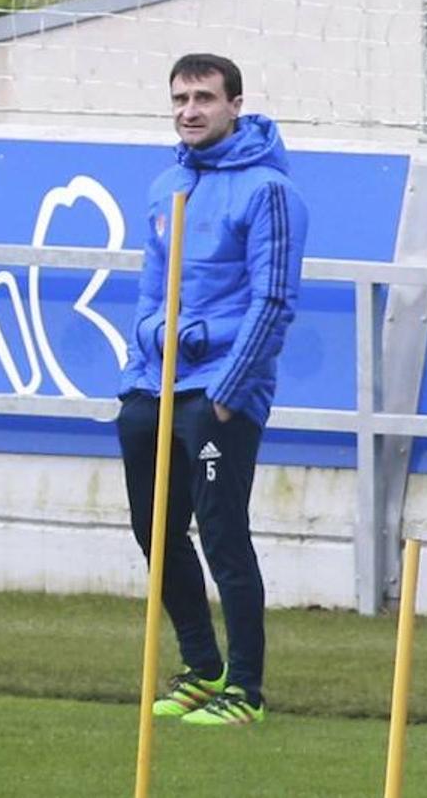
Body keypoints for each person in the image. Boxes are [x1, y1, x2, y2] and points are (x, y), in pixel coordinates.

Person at [116, 53, 308, 725]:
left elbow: (274, 300)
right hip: (152, 384)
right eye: (179, 98)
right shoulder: (166, 183)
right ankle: (201, 667)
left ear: (235, 105)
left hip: (222, 390)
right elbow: (149, 284)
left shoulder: (269, 191)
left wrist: (229, 390)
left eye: (203, 97)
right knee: (154, 529)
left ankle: (246, 691)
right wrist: (145, 347)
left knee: (223, 534)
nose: (189, 110)